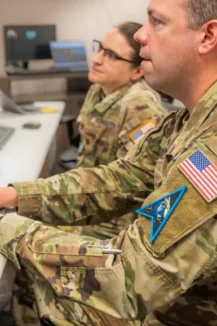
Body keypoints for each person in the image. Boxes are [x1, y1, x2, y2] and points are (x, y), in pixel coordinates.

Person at [0, 0, 217, 325]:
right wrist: (9, 196)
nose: (140, 35)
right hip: (166, 298)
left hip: (177, 312)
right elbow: (120, 180)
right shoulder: (193, 117)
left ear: (208, 37)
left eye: (157, 21)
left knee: (35, 288)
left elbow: (126, 282)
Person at [68, 22, 168, 239]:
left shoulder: (139, 107)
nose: (96, 59)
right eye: (100, 48)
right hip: (86, 205)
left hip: (116, 227)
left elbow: (136, 188)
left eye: (111, 55)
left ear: (137, 71)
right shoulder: (97, 90)